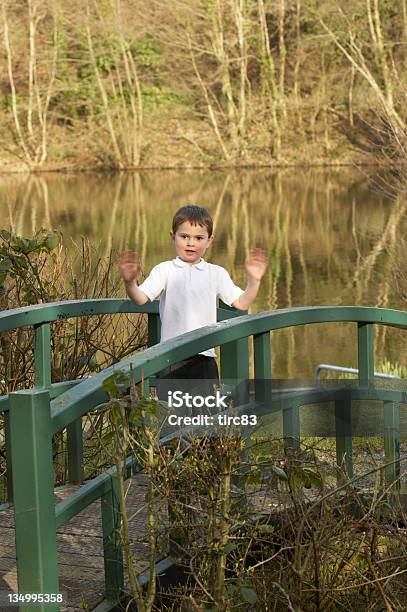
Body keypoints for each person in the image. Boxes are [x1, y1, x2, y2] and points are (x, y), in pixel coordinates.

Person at [118, 205, 268, 405]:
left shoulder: (216, 273)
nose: (191, 243)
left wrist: (254, 281)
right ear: (173, 236)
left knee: (206, 422)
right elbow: (141, 298)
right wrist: (130, 282)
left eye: (199, 238)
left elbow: (241, 302)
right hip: (171, 360)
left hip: (204, 358)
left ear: (210, 241)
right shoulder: (165, 270)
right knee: (172, 423)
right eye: (184, 236)